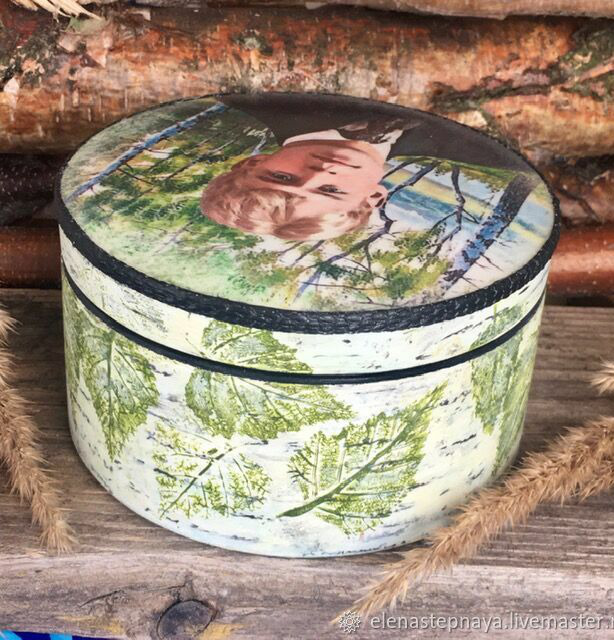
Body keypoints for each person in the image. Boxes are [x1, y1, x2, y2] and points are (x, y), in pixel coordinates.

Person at [201, 112, 418, 241]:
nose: (319, 174)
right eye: (331, 190)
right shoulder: (439, 140)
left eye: (282, 177)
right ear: (374, 197)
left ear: (253, 162)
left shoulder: (260, 98)